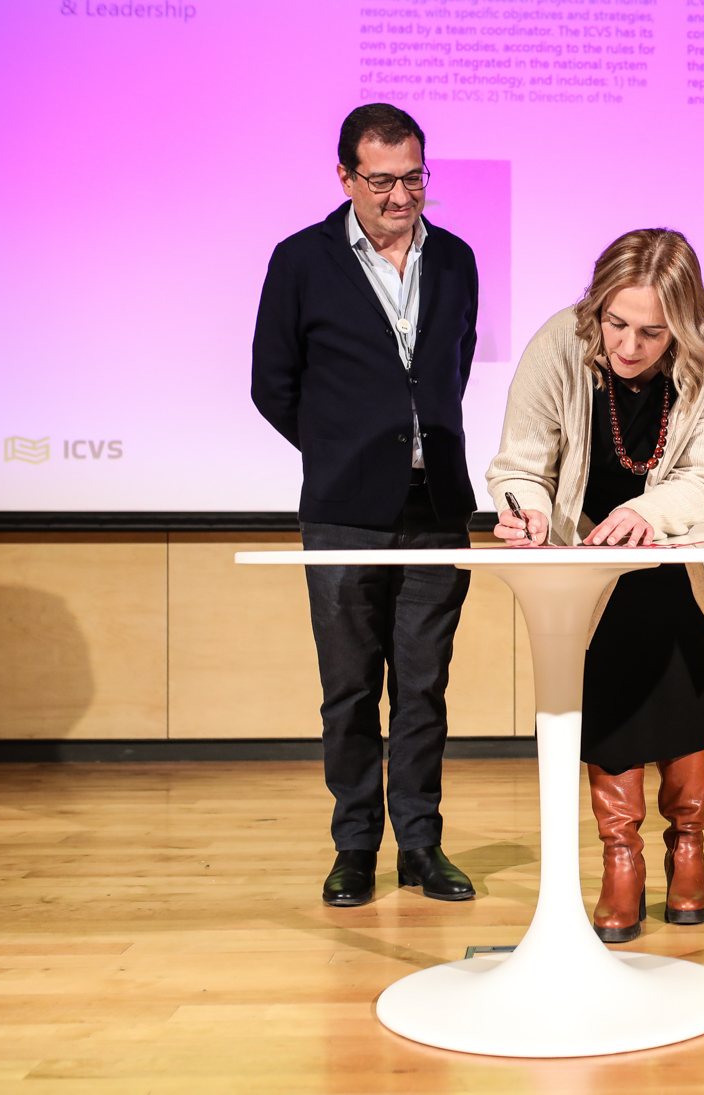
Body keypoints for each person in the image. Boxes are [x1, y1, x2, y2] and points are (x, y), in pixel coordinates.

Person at [486, 228, 704, 943]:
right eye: (617, 324)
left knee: (688, 695)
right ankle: (621, 858)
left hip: (681, 547)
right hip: (590, 556)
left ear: (685, 325)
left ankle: (687, 848)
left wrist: (645, 512)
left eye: (652, 332)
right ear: (596, 307)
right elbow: (518, 463)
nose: (629, 346)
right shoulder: (557, 346)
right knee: (608, 700)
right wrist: (526, 510)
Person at [252, 104, 481, 907]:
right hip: (344, 509)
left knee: (423, 686)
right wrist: (341, 453)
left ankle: (421, 844)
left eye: (414, 177)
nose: (401, 195)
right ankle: (355, 847)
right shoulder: (301, 261)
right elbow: (271, 386)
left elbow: (452, 366)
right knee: (349, 687)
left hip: (436, 505)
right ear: (345, 176)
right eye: (381, 180)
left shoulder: (455, 260)